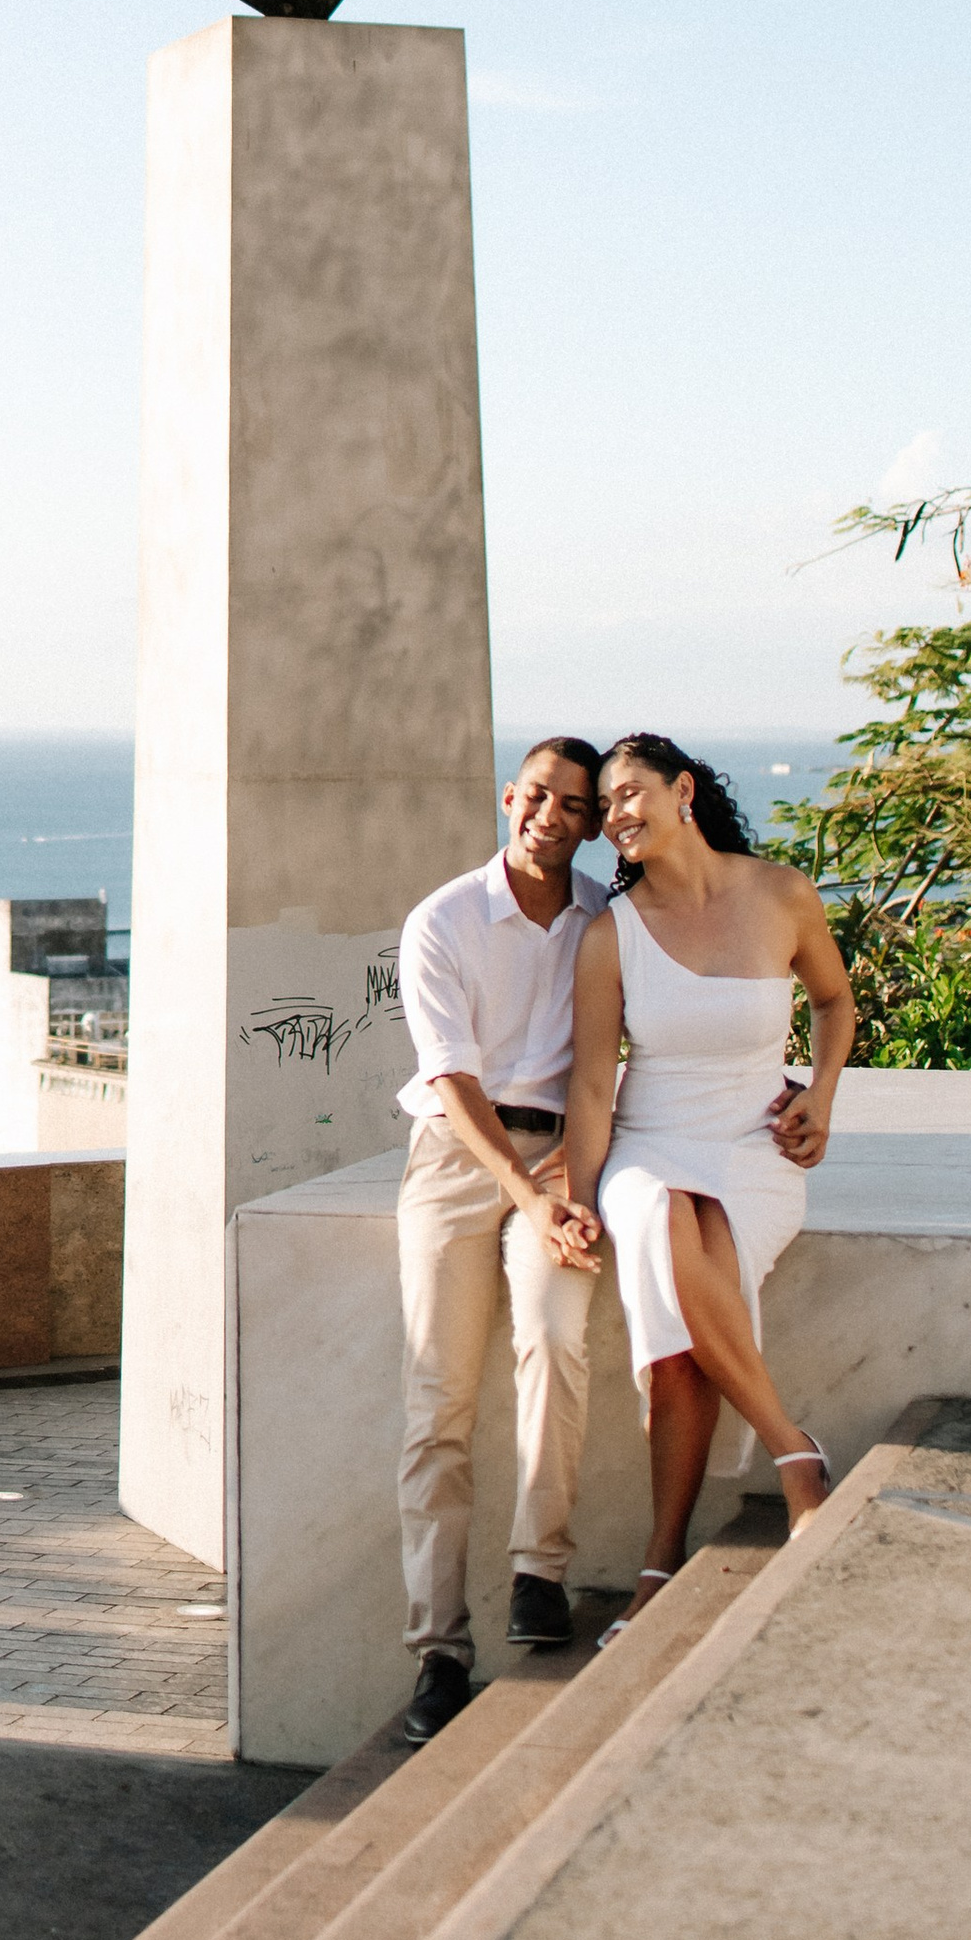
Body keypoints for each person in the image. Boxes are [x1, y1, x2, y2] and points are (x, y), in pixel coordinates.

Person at [560, 732, 856, 1632]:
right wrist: (576, 1195)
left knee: (685, 1320)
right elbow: (587, 1084)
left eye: (629, 794)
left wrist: (825, 1096)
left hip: (752, 1149)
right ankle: (792, 1451)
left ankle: (660, 1563)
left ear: (682, 790)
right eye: (604, 806)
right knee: (657, 1218)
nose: (615, 816)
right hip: (651, 1144)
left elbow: (835, 1001)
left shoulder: (780, 894)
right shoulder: (612, 937)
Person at [394, 738, 611, 1744]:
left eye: (573, 803)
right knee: (437, 1400)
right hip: (457, 1156)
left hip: (563, 1157)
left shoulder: (606, 919)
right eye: (535, 796)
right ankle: (437, 1651)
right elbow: (451, 1077)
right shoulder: (443, 919)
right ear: (507, 798)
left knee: (555, 1333)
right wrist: (521, 1193)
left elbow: (634, 1047)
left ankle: (541, 1569)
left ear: (592, 819)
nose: (549, 816)